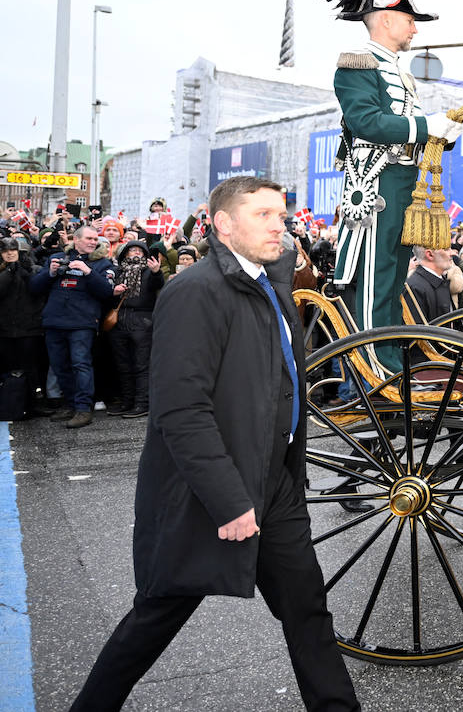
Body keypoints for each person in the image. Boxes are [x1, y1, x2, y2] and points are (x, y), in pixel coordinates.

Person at [70, 176, 359, 712]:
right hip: (214, 487)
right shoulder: (196, 291)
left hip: (274, 483)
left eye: (282, 214)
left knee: (307, 610)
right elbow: (181, 410)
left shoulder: (268, 283)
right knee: (158, 614)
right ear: (224, 224)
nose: (281, 225)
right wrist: (229, 500)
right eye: (265, 215)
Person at [302, 0, 462, 368]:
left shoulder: (396, 68)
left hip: (402, 182)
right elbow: (368, 123)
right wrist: (427, 127)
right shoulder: (356, 64)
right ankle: (375, 367)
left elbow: (406, 127)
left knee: (392, 282)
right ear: (388, 19)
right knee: (375, 279)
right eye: (410, 21)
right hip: (375, 188)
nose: (415, 30)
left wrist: (441, 133)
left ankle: (390, 359)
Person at [29, 223, 115, 429]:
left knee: (80, 364)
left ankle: (84, 408)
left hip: (82, 323)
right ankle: (69, 403)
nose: (94, 242)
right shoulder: (56, 258)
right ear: (76, 240)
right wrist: (49, 273)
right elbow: (33, 288)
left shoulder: (102, 264)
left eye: (96, 239)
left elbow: (107, 292)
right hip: (55, 321)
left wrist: (88, 272)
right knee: (60, 366)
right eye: (89, 239)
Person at [107, 239, 164, 419]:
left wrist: (156, 272)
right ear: (125, 254)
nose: (136, 253)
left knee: (141, 364)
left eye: (140, 250)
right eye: (132, 250)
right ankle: (127, 401)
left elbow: (158, 284)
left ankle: (142, 403)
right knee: (122, 363)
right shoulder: (117, 271)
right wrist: (113, 291)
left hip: (142, 320)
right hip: (120, 319)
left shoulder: (149, 271)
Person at [0, 236, 45, 418]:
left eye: (13, 250)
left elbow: (36, 290)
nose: (10, 254)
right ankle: (9, 403)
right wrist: (9, 271)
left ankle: (31, 404)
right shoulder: (3, 271)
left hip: (29, 328)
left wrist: (22, 270)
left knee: (31, 368)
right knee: (6, 369)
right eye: (5, 251)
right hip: (4, 328)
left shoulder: (32, 269)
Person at [405, 245, 455, 321]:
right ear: (430, 255)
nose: (452, 253)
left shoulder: (440, 280)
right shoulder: (415, 287)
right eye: (446, 249)